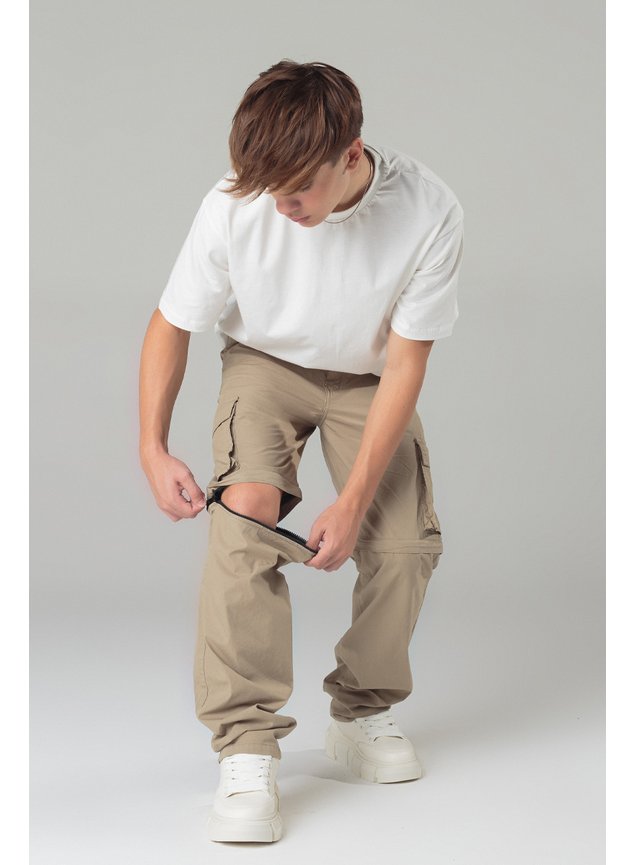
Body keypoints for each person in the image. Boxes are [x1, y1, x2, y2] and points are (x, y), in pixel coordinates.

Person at [139, 59, 464, 844]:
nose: (280, 208)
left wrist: (350, 502)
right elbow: (172, 321)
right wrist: (152, 446)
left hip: (368, 378)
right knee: (245, 516)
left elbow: (406, 365)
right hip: (264, 363)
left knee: (401, 541)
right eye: (268, 192)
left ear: (350, 154)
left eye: (297, 192)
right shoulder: (236, 200)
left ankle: (361, 711)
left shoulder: (428, 209)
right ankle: (246, 745)